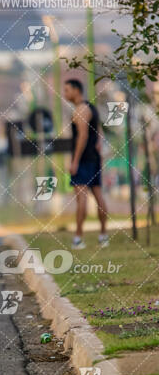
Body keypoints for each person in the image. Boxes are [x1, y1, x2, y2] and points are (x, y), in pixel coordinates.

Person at [64, 79, 108, 249]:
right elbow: (99, 136)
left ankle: (78, 238)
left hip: (83, 160)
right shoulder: (92, 108)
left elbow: (82, 137)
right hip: (94, 158)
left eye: (67, 90)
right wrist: (98, 151)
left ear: (76, 90)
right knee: (98, 195)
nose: (65, 93)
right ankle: (103, 236)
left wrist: (75, 161)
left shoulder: (81, 110)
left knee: (81, 198)